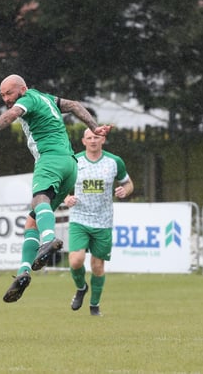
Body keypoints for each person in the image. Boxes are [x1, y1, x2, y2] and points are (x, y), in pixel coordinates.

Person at [0, 74, 111, 303]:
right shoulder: (47, 98)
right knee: (31, 221)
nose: (6, 99)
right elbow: (74, 105)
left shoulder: (27, 100)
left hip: (50, 159)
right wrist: (95, 128)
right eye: (3, 95)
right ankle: (24, 272)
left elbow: (11, 115)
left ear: (22, 89)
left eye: (10, 93)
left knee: (39, 200)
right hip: (71, 164)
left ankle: (48, 239)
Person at [63, 128, 133, 316]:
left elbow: (128, 183)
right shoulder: (74, 161)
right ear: (83, 141)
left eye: (96, 137)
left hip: (103, 221)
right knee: (76, 261)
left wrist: (125, 191)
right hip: (79, 219)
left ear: (103, 140)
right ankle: (81, 287)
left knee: (97, 266)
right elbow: (61, 186)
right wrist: (66, 198)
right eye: (89, 138)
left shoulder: (114, 162)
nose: (93, 140)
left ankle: (94, 306)